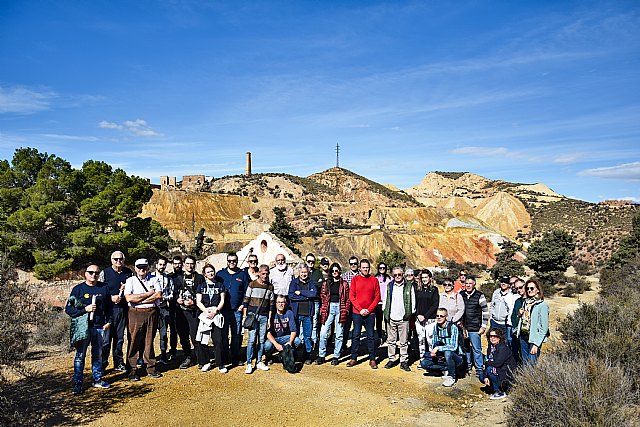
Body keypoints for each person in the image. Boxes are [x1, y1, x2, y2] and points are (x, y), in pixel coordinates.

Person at [66, 264, 112, 394]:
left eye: (96, 273)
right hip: (83, 329)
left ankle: (97, 380)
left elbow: (109, 307)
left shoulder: (104, 288)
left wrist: (109, 321)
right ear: (85, 274)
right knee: (80, 356)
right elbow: (69, 309)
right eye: (91, 272)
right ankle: (78, 384)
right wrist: (84, 310)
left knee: (98, 355)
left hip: (98, 327)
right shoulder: (78, 289)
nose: (94, 275)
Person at [123, 258, 163, 381]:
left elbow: (158, 295)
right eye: (139, 267)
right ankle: (132, 369)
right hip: (135, 313)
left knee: (149, 340)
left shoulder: (154, 279)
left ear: (148, 268)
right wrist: (148, 294)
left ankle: (151, 367)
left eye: (144, 267)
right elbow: (129, 298)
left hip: (151, 312)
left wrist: (140, 300)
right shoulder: (130, 280)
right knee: (133, 340)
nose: (142, 270)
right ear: (135, 268)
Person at [99, 250, 132, 372]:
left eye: (121, 259)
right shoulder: (105, 273)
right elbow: (99, 291)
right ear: (111, 260)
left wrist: (125, 291)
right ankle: (102, 364)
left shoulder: (129, 273)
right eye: (116, 259)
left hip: (122, 310)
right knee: (106, 340)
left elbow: (133, 289)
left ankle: (118, 363)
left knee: (119, 339)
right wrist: (110, 297)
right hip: (108, 311)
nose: (118, 261)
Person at [216, 252, 249, 366]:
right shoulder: (220, 274)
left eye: (234, 261)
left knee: (236, 335)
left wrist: (243, 305)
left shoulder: (242, 274)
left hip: (236, 311)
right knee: (223, 335)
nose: (232, 263)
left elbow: (246, 292)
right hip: (223, 311)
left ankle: (236, 357)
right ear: (227, 261)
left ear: (237, 261)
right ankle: (225, 357)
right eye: (230, 261)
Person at [347, 259, 381, 369]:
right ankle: (353, 358)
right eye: (363, 267)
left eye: (367, 267)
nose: (365, 269)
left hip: (370, 314)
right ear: (360, 268)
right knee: (356, 335)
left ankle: (372, 359)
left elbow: (377, 297)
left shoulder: (374, 280)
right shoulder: (355, 279)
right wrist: (360, 309)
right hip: (357, 313)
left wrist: (369, 310)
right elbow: (351, 296)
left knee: (371, 336)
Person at [173, 255, 205, 369]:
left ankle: (200, 358)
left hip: (194, 311)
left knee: (195, 336)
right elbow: (174, 293)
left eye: (192, 264)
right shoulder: (178, 278)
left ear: (195, 265)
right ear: (184, 264)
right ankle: (188, 356)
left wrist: (194, 301)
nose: (189, 266)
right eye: (187, 263)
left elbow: (203, 293)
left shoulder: (199, 278)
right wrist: (177, 299)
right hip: (181, 311)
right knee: (183, 336)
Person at [243, 264, 275, 374]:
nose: (265, 276)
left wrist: (269, 319)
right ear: (259, 273)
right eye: (263, 273)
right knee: (251, 340)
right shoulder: (252, 284)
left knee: (261, 340)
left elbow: (271, 305)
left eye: (267, 274)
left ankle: (259, 361)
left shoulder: (270, 287)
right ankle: (249, 363)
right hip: (252, 315)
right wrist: (244, 316)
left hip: (264, 316)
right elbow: (246, 301)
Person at [383, 266, 415, 372]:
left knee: (403, 342)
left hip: (403, 318)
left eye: (399, 274)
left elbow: (413, 300)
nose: (397, 276)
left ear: (403, 274)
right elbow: (385, 299)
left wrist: (409, 313)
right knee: (391, 341)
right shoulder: (389, 286)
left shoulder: (409, 286)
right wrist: (385, 311)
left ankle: (403, 361)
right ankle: (391, 359)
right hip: (391, 317)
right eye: (395, 275)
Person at [317, 263, 350, 365]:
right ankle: (321, 355)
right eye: (332, 271)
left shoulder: (344, 284)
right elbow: (323, 296)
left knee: (339, 334)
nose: (334, 272)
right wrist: (324, 307)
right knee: (323, 333)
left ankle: (336, 356)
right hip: (329, 308)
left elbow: (347, 298)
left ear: (339, 271)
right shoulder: (326, 283)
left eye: (336, 270)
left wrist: (346, 310)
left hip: (340, 308)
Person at [420, 308, 463, 387]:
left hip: (456, 357)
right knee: (424, 363)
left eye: (441, 316)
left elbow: (453, 347)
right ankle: (446, 369)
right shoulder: (436, 327)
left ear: (446, 317)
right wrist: (435, 353)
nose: (439, 318)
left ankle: (451, 376)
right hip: (442, 356)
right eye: (437, 316)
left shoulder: (453, 327)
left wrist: (438, 348)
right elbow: (434, 343)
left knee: (448, 353)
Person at [196, 264, 227, 373]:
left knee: (218, 340)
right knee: (203, 340)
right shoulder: (201, 286)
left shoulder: (220, 285)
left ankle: (220, 364)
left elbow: (222, 300)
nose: (210, 273)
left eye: (212, 271)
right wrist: (206, 311)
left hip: (216, 314)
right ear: (204, 274)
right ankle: (206, 362)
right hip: (205, 314)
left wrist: (216, 311)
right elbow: (198, 301)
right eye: (208, 272)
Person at [514, 279, 549, 365]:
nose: (529, 290)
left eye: (532, 288)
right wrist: (519, 314)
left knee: (531, 364)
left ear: (538, 290)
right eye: (527, 288)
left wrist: (536, 344)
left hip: (534, 339)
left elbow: (544, 328)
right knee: (525, 363)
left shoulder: (542, 306)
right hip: (523, 337)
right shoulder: (525, 303)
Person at [288, 265, 318, 363]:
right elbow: (291, 296)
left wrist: (300, 292)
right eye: (302, 272)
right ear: (299, 273)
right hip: (296, 314)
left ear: (308, 273)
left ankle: (307, 355)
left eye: (305, 272)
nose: (304, 274)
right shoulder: (294, 282)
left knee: (307, 336)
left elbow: (314, 294)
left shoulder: (311, 282)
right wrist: (307, 296)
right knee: (295, 335)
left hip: (308, 314)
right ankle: (294, 354)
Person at [460, 276, 488, 376]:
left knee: (476, 349)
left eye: (470, 283)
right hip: (464, 327)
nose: (468, 285)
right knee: (465, 348)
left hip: (475, 327)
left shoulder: (480, 295)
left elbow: (485, 311)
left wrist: (483, 326)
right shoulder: (461, 294)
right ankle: (467, 366)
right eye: (466, 283)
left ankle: (479, 368)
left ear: (474, 284)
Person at [264, 295, 301, 366]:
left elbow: (293, 330)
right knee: (267, 345)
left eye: (282, 302)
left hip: (285, 338)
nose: (280, 304)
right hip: (274, 338)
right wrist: (276, 344)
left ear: (285, 303)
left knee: (297, 341)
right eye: (279, 302)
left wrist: (290, 343)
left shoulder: (289, 313)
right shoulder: (272, 314)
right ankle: (269, 357)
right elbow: (267, 333)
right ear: (276, 304)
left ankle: (286, 354)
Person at [479, 328, 515, 400]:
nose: (492, 338)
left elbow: (497, 363)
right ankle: (494, 386)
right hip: (498, 371)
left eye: (495, 336)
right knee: (482, 376)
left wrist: (487, 362)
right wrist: (486, 376)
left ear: (499, 337)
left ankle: (500, 391)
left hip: (506, 373)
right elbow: (490, 362)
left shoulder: (502, 348)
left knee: (490, 370)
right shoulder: (491, 347)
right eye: (491, 336)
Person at [150, 256, 174, 365]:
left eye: (164, 265)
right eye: (160, 264)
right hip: (152, 308)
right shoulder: (150, 277)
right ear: (156, 265)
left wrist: (166, 298)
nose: (162, 267)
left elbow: (171, 292)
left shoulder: (168, 278)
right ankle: (148, 356)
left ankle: (163, 354)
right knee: (150, 334)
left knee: (163, 334)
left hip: (164, 308)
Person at [414, 269, 439, 358]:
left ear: (430, 278)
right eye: (422, 277)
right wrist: (418, 314)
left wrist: (425, 316)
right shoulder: (418, 289)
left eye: (426, 277)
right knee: (421, 340)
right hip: (419, 319)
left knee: (430, 341)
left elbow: (435, 304)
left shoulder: (434, 290)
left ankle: (431, 359)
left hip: (430, 319)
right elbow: (415, 303)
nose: (424, 279)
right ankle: (422, 359)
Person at [341, 255, 360, 353]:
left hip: (359, 305)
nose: (353, 265)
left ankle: (355, 347)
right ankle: (343, 345)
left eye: (355, 263)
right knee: (346, 327)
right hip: (348, 305)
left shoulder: (361, 275)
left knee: (357, 328)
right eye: (351, 264)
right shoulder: (344, 276)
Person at [167, 256, 183, 360]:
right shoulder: (169, 277)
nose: (177, 265)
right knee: (173, 330)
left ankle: (187, 351)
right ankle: (173, 350)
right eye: (175, 263)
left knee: (184, 330)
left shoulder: (185, 276)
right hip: (173, 307)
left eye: (179, 263)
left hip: (184, 307)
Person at [509, 278, 526, 365]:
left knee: (531, 359)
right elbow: (513, 318)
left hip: (531, 335)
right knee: (521, 355)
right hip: (520, 333)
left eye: (520, 287)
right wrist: (518, 316)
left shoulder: (532, 301)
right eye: (516, 288)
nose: (519, 290)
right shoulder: (518, 301)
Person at [374, 262, 392, 343]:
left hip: (387, 302)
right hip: (378, 303)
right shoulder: (375, 278)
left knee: (387, 320)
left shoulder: (389, 278)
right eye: (380, 268)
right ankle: (379, 336)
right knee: (379, 320)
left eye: (383, 268)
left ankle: (389, 336)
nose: (382, 269)